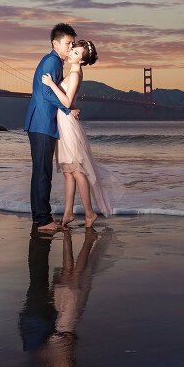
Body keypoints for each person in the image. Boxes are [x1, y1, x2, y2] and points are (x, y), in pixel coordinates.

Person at [41, 40, 120, 228]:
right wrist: (73, 106)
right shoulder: (73, 72)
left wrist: (51, 84)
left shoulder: (76, 74)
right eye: (72, 50)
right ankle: (68, 214)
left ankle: (90, 214)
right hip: (64, 122)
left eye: (76, 53)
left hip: (67, 125)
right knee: (68, 172)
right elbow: (71, 102)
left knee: (77, 171)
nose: (71, 53)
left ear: (83, 60)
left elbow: (67, 102)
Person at [24, 23, 79, 232]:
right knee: (43, 173)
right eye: (68, 43)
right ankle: (44, 220)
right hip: (42, 122)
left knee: (40, 171)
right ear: (55, 43)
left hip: (40, 122)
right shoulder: (53, 61)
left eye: (73, 43)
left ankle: (39, 216)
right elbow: (47, 93)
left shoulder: (53, 61)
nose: (71, 47)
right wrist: (68, 109)